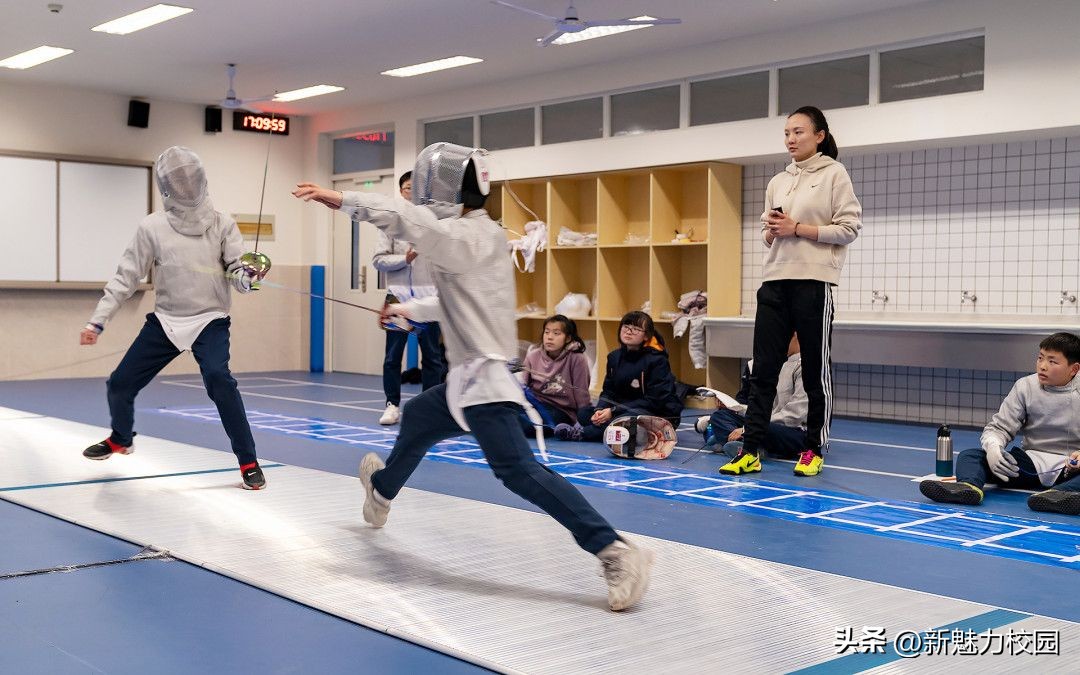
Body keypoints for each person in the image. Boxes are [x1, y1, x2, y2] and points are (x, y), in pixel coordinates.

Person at [292, 142, 652, 611]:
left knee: (517, 471)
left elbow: (405, 220)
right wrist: (407, 310)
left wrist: (340, 198)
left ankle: (615, 550)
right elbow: (453, 303)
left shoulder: (464, 237)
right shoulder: (477, 236)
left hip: (484, 379)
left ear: (441, 188)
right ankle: (380, 490)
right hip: (466, 377)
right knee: (419, 415)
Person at [79, 146, 266, 490]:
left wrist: (249, 276)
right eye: (178, 181)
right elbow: (126, 277)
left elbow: (239, 277)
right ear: (166, 186)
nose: (185, 186)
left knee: (219, 380)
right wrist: (97, 321)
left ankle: (248, 461)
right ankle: (121, 438)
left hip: (209, 319)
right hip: (166, 321)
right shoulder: (152, 226)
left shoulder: (223, 224)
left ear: (201, 180)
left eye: (189, 179)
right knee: (120, 383)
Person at [721, 105, 861, 478]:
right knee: (764, 370)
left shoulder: (835, 174)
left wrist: (799, 228)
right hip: (774, 282)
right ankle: (749, 451)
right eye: (786, 133)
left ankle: (812, 449)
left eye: (799, 132)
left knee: (815, 371)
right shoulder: (777, 181)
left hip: (814, 283)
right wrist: (772, 229)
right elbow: (769, 236)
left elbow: (848, 228)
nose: (791, 139)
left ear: (819, 135)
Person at [920, 332, 1080, 516]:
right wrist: (994, 449)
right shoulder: (1025, 386)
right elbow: (999, 428)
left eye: (1052, 362)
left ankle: (1063, 495)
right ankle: (967, 488)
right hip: (1030, 465)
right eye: (1040, 358)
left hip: (1072, 468)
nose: (1042, 366)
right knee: (970, 456)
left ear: (1074, 369)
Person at [373, 171, 446, 425]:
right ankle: (392, 405)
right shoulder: (390, 223)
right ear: (401, 191)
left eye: (416, 189)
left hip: (429, 299)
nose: (411, 193)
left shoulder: (434, 223)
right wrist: (406, 259)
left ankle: (429, 409)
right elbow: (378, 260)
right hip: (398, 298)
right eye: (407, 188)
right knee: (393, 357)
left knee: (433, 358)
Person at [573, 311, 683, 443]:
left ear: (646, 336)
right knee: (584, 413)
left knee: (629, 420)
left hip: (656, 412)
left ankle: (582, 433)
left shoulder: (657, 360)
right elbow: (608, 391)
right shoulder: (614, 357)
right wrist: (600, 410)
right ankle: (609, 428)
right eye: (626, 327)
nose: (628, 332)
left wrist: (613, 411)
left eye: (636, 329)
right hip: (622, 410)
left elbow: (654, 401)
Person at [696, 334, 806, 459]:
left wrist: (748, 428)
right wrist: (733, 407)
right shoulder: (768, 363)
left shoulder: (805, 366)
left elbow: (794, 416)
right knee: (720, 416)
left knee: (766, 429)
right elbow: (755, 407)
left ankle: (737, 442)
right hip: (763, 424)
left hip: (792, 431)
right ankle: (751, 447)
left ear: (796, 335)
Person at [516, 315, 591, 438]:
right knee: (505, 414)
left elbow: (581, 394)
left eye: (556, 333)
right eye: (547, 332)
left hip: (561, 410)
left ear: (568, 338)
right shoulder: (533, 355)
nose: (550, 337)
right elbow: (522, 388)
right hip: (534, 404)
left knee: (530, 426)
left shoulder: (577, 358)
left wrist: (582, 419)